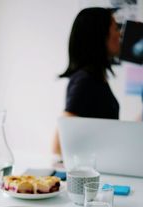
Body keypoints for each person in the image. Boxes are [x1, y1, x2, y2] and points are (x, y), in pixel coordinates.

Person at [52, 7, 121, 155]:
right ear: (100, 35)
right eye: (115, 28)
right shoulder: (85, 81)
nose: (119, 34)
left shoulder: (97, 78)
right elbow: (58, 147)